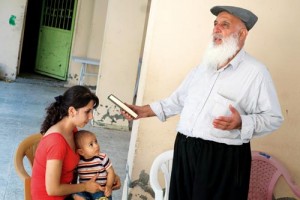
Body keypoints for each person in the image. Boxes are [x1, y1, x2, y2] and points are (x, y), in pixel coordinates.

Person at [122, 5, 284, 200]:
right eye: (215, 24)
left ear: (242, 34)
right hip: (185, 148)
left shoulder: (256, 72)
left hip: (222, 158)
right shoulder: (203, 67)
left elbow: (274, 118)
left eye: (224, 24)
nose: (216, 28)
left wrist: (242, 122)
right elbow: (178, 100)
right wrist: (144, 111)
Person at [31, 85, 121, 200]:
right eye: (87, 111)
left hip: (67, 194)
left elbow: (86, 159)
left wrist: (109, 175)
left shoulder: (72, 130)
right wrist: (84, 187)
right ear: (72, 111)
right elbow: (52, 189)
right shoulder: (56, 142)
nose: (91, 116)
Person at [73, 130, 115, 200]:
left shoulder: (102, 157)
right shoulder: (78, 162)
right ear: (81, 152)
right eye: (91, 144)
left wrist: (109, 186)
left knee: (103, 198)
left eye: (96, 141)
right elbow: (74, 175)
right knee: (76, 195)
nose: (96, 145)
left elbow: (111, 172)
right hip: (85, 191)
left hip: (101, 190)